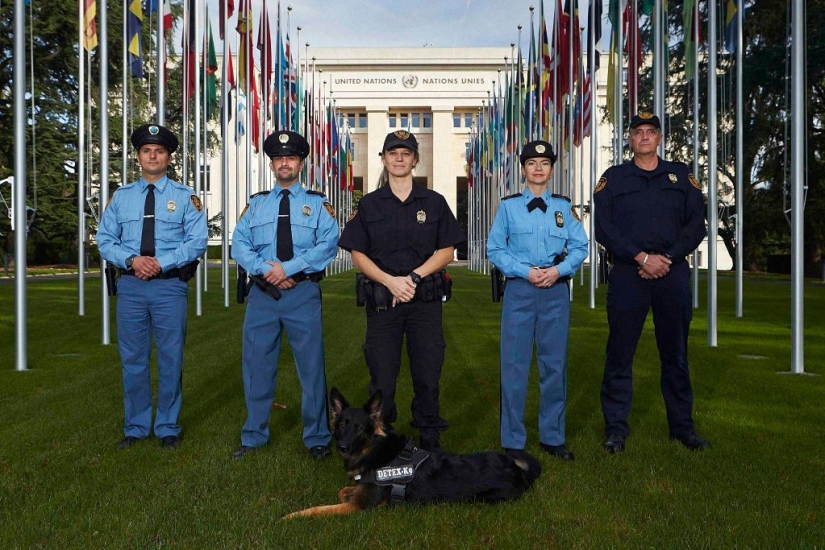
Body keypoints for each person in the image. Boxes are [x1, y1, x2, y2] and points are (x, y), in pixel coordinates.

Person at [337, 130, 466, 451]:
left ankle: (428, 432)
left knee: (427, 369)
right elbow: (356, 252)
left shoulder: (433, 202)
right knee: (382, 372)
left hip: (424, 301)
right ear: (383, 158)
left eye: (405, 154)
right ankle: (384, 431)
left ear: (415, 160)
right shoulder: (368, 204)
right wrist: (389, 281)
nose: (398, 159)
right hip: (383, 302)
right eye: (392, 153)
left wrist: (413, 278)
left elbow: (447, 250)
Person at [594, 111, 709, 453]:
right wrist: (642, 258)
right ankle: (615, 430)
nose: (644, 137)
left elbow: (696, 225)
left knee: (675, 354)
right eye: (638, 132)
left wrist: (666, 258)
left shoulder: (680, 176)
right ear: (629, 140)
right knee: (620, 353)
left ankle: (682, 428)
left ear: (660, 138)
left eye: (651, 132)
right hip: (629, 274)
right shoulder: (612, 179)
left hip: (671, 273)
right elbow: (605, 230)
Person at [96, 123, 207, 451]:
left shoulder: (186, 198)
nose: (153, 155)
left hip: (168, 287)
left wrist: (162, 262)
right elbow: (104, 239)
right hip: (131, 287)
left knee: (171, 358)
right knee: (133, 359)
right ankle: (136, 426)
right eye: (147, 150)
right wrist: (132, 260)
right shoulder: (121, 198)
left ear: (169, 157)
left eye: (159, 151)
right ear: (138, 156)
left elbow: (197, 241)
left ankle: (168, 425)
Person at [230, 130, 339, 460]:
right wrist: (268, 270)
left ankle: (317, 436)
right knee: (256, 366)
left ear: (301, 163)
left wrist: (288, 269)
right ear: (273, 164)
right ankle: (254, 435)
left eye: (290, 158)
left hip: (302, 293)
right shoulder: (257, 204)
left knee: (311, 369)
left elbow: (328, 245)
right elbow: (239, 244)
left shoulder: (319, 204)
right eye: (279, 159)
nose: (285, 163)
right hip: (263, 295)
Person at [486, 140, 589, 461]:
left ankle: (552, 437)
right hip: (520, 290)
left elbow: (580, 246)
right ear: (523, 169)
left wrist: (558, 271)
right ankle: (513, 440)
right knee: (514, 366)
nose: (538, 168)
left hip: (555, 292)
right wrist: (524, 271)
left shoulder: (563, 207)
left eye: (544, 164)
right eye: (532, 163)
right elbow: (495, 249)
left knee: (553, 365)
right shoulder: (509, 207)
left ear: (551, 169)